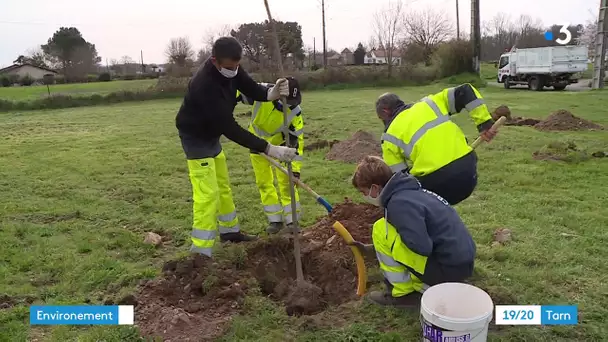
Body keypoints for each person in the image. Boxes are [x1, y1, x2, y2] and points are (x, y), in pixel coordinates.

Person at [175, 36, 298, 258]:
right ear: (215, 61)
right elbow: (230, 129)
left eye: (237, 66)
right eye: (229, 67)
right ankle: (200, 253)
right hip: (195, 137)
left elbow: (249, 87)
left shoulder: (234, 68)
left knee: (222, 185)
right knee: (207, 194)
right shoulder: (204, 85)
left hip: (211, 135)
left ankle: (230, 232)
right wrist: (269, 148)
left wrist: (272, 93)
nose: (234, 71)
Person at [349, 156, 476, 308]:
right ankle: (431, 285)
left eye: (364, 192)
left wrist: (391, 246)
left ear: (375, 188)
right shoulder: (414, 192)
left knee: (381, 229)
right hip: (462, 263)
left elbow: (421, 246)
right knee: (392, 231)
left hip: (446, 271)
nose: (364, 197)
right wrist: (372, 250)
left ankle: (403, 295)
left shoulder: (399, 204)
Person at [376, 83, 498, 205]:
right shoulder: (430, 103)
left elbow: (399, 179)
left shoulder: (388, 138)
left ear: (385, 111)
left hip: (435, 184)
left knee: (421, 202)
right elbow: (466, 91)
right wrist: (484, 123)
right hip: (467, 172)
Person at [238, 77, 305, 234]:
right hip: (256, 144)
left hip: (281, 148)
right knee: (264, 182)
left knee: (287, 183)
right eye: (288, 101)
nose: (291, 105)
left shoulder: (296, 112)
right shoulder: (262, 93)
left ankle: (292, 221)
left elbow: (298, 142)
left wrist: (295, 169)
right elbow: (238, 90)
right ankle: (275, 221)